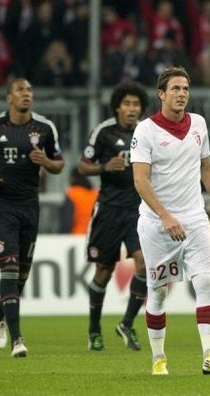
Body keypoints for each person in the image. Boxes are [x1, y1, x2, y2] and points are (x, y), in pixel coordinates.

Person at [130, 66, 210, 375]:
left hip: (194, 219)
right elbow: (140, 179)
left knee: (204, 282)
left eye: (186, 89)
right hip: (156, 224)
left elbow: (207, 169)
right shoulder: (146, 130)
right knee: (159, 290)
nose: (182, 94)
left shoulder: (199, 125)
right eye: (176, 89)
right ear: (161, 94)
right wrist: (164, 215)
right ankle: (158, 358)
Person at [0, 78, 64, 357]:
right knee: (7, 268)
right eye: (20, 90)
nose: (26, 94)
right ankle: (17, 339)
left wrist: (47, 163)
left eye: (30, 90)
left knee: (20, 277)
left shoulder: (44, 128)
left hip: (30, 206)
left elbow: (59, 163)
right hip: (0, 205)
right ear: (9, 97)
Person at [78, 81, 149, 352]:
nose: (132, 109)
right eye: (127, 104)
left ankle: (127, 323)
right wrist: (104, 167)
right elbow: (83, 167)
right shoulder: (104, 132)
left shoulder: (146, 132)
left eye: (136, 105)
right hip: (108, 210)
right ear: (118, 106)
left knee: (144, 265)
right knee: (103, 272)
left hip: (138, 212)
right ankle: (94, 330)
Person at [59, 167, 98, 234]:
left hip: (77, 236)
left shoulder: (72, 194)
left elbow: (67, 221)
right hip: (95, 236)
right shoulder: (96, 194)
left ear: (73, 179)